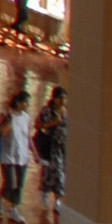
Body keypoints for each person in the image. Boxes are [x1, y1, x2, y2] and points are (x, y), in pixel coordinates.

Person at [0, 90, 35, 222]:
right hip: (8, 155)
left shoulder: (26, 117)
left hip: (22, 156)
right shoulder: (7, 114)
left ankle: (14, 209)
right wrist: (10, 119)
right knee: (11, 183)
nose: (27, 105)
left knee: (19, 185)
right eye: (26, 102)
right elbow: (1, 131)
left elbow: (27, 136)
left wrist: (34, 152)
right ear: (19, 102)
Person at [36, 84, 70, 215]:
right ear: (54, 98)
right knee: (49, 170)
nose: (63, 101)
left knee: (61, 171)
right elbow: (38, 124)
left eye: (65, 98)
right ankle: (45, 191)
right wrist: (52, 123)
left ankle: (58, 198)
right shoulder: (47, 111)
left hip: (63, 146)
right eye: (61, 98)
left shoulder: (66, 111)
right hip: (51, 145)